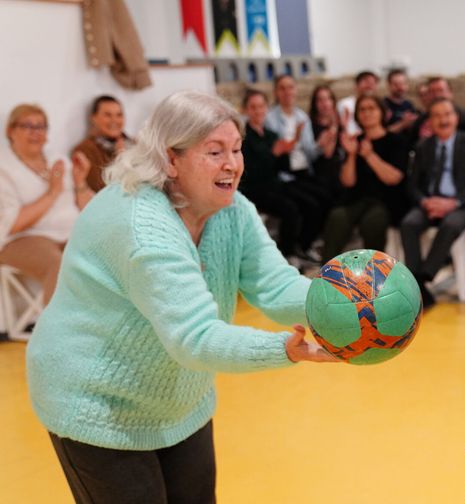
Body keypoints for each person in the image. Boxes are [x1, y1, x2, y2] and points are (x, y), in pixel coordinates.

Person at [26, 90, 338, 504]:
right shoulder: (142, 225)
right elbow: (196, 338)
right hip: (97, 405)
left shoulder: (233, 210)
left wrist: (341, 300)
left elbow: (276, 285)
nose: (232, 164)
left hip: (177, 402)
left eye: (237, 149)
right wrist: (288, 349)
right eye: (214, 152)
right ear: (170, 159)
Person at [0, 104, 94, 305]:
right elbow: (13, 224)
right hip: (22, 239)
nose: (35, 133)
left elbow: (90, 210)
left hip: (71, 233)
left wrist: (80, 181)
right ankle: (57, 334)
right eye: (27, 126)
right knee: (59, 265)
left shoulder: (58, 160)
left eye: (41, 127)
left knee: (107, 256)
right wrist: (53, 192)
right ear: (11, 131)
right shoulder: (4, 169)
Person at [400, 98, 465, 308]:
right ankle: (418, 283)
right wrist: (425, 201)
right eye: (437, 116)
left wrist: (453, 203)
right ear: (430, 121)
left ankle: (421, 280)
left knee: (451, 225)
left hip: (461, 205)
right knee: (408, 223)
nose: (443, 119)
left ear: (456, 118)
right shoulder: (423, 146)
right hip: (429, 203)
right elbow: (412, 185)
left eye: (447, 114)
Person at [321, 95, 409, 261]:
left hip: (385, 201)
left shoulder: (396, 141)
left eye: (371, 108)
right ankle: (328, 274)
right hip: (357, 199)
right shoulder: (355, 141)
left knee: (372, 222)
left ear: (381, 113)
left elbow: (393, 178)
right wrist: (352, 154)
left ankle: (372, 276)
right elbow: (348, 181)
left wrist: (369, 155)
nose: (367, 113)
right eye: (362, 109)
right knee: (336, 216)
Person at [265, 74, 333, 260]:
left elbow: (310, 151)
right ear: (276, 92)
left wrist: (321, 144)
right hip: (285, 174)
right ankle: (294, 249)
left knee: (326, 197)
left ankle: (306, 244)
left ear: (296, 90)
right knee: (309, 204)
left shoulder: (302, 116)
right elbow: (274, 150)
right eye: (282, 88)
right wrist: (292, 140)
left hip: (304, 171)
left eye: (290, 87)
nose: (287, 92)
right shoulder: (270, 118)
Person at [240, 89, 303, 258]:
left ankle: (302, 246)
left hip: (274, 184)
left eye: (261, 106)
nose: (258, 111)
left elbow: (283, 168)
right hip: (254, 189)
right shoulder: (242, 138)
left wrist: (286, 152)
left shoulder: (271, 135)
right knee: (290, 209)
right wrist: (273, 154)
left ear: (266, 108)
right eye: (253, 107)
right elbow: (250, 173)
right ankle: (286, 255)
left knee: (309, 200)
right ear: (245, 110)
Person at [72, 95, 133, 191]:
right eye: (108, 115)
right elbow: (100, 190)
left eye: (119, 115)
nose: (114, 120)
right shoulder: (85, 150)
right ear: (94, 118)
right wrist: (119, 159)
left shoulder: (135, 143)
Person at [337, 70, 380, 135]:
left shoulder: (380, 104)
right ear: (356, 86)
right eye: (366, 81)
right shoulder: (345, 104)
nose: (369, 85)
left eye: (373, 83)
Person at [384, 68, 419, 135]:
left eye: (403, 83)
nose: (400, 87)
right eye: (396, 84)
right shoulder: (383, 105)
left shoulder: (410, 105)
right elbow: (382, 133)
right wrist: (403, 124)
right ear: (389, 85)